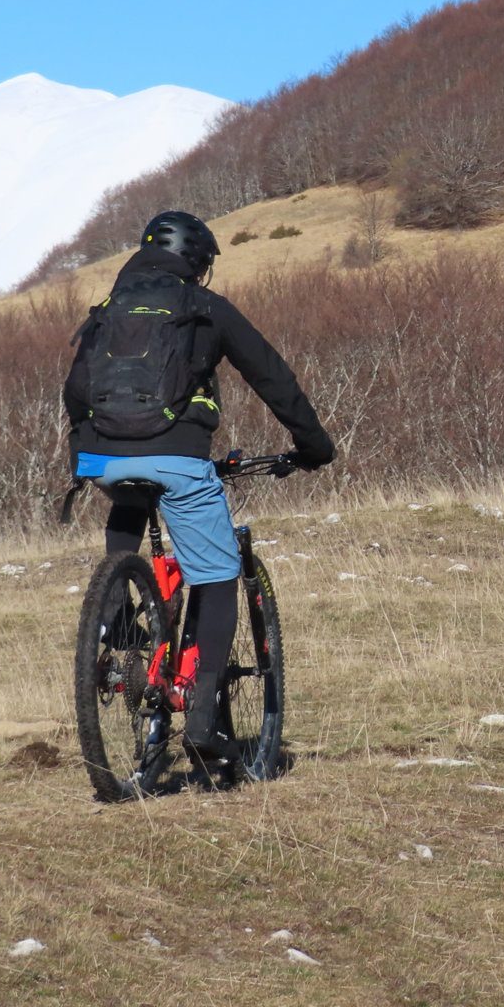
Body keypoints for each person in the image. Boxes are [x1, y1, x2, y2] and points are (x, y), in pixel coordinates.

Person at [63, 209, 336, 761]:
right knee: (217, 573)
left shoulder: (107, 310)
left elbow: (75, 390)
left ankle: (118, 631)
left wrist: (93, 450)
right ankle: (205, 724)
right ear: (197, 263)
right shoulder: (202, 307)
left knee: (129, 501)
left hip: (98, 458)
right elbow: (272, 377)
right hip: (178, 457)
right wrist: (314, 446)